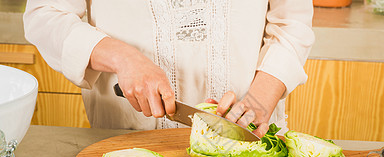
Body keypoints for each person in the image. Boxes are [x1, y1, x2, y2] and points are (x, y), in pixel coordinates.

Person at [23, 0, 315, 137]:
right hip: (126, 139)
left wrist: (260, 100)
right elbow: (45, 16)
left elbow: (293, 23)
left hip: (248, 133)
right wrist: (122, 58)